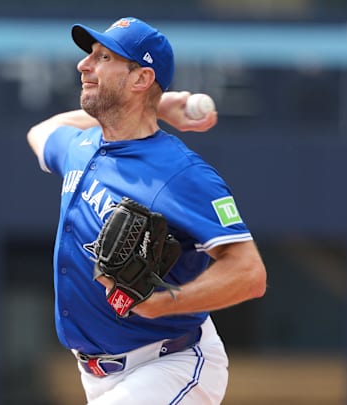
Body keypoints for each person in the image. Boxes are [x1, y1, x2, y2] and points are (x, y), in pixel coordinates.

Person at [26, 16, 267, 404]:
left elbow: (249, 273)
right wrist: (163, 106)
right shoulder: (81, 147)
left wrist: (164, 303)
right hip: (99, 376)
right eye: (90, 55)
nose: (84, 65)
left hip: (170, 364)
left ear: (140, 78)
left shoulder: (181, 173)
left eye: (103, 57)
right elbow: (40, 131)